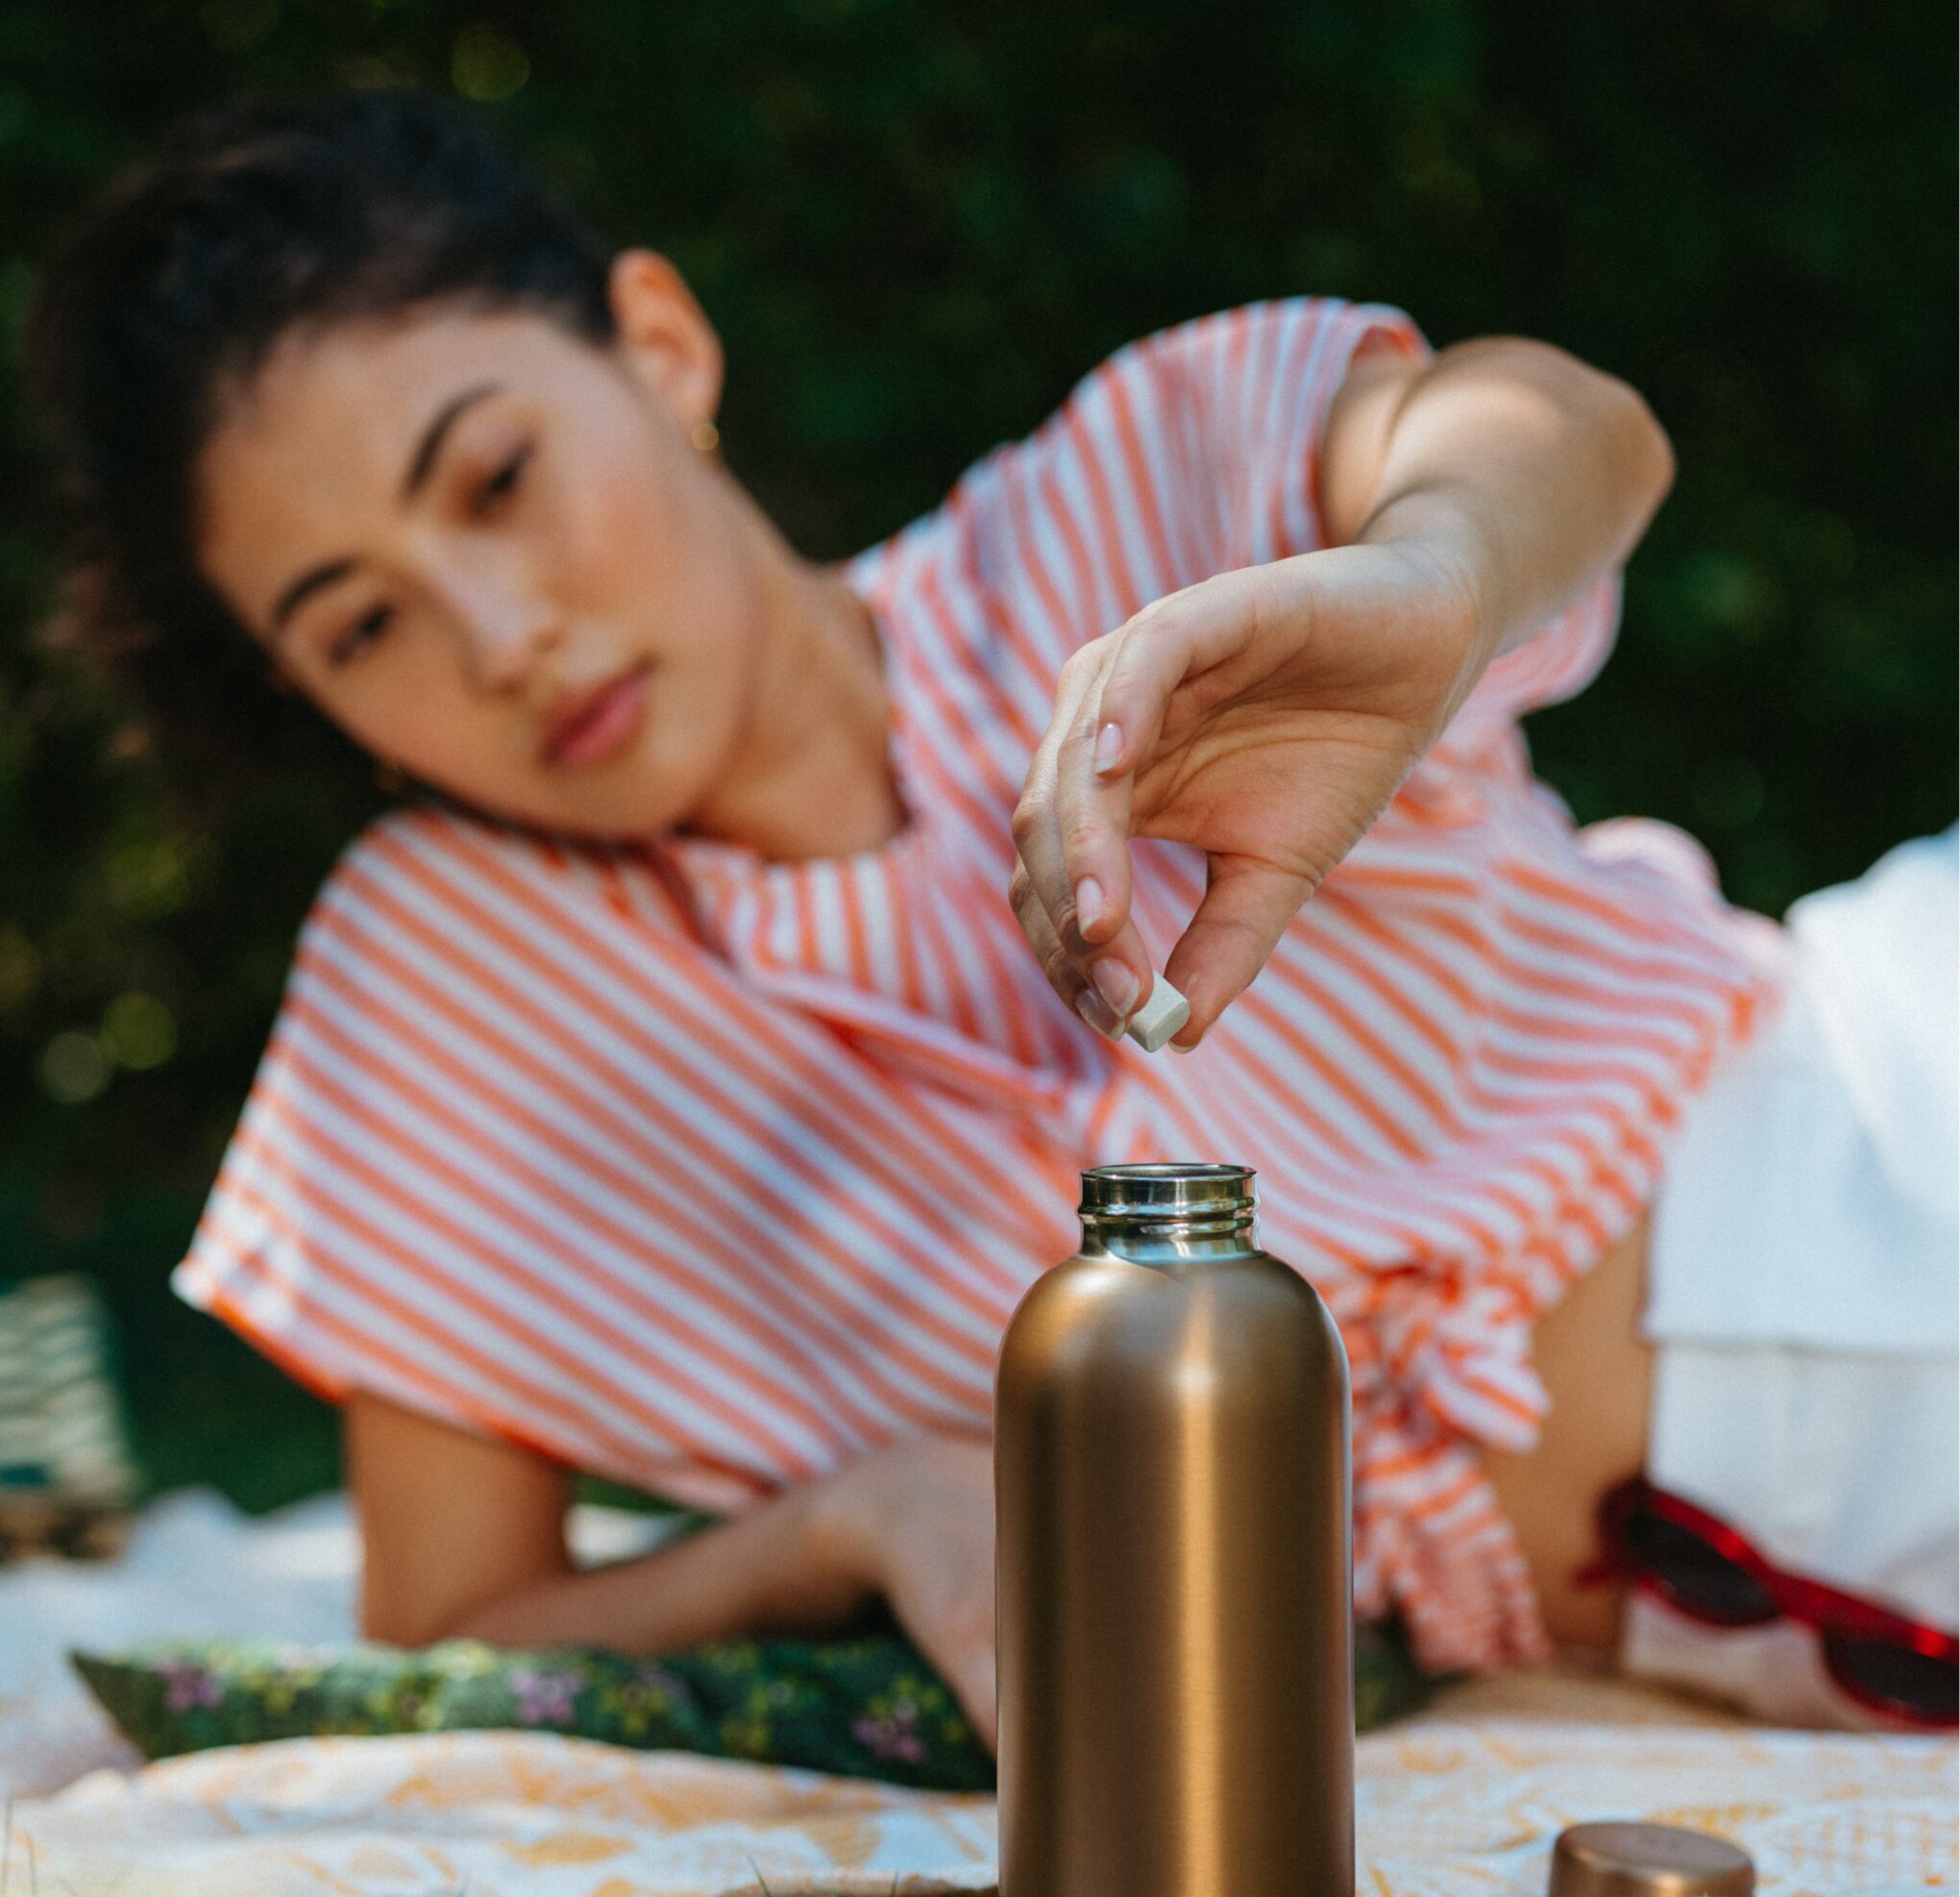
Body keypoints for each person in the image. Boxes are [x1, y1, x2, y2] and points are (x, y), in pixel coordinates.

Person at [32, 92, 1953, 1747]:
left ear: (660, 348)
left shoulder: (1117, 509)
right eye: (360, 625)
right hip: (1743, 1612)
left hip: (1875, 1119)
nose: (498, 633)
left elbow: (1570, 430)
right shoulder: (460, 981)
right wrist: (850, 1517)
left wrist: (1437, 572)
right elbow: (452, 1618)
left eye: (502, 475)